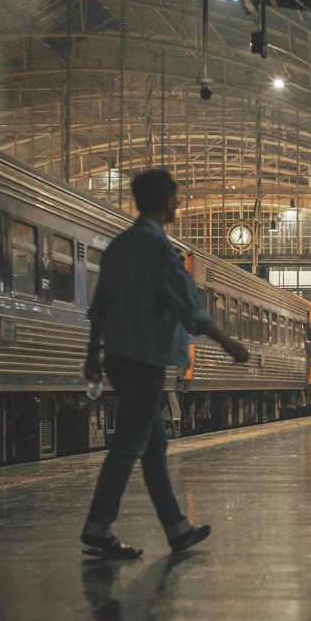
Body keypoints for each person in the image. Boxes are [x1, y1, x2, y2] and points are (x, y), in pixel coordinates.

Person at [80, 168, 249, 560]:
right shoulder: (158, 249)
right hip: (146, 359)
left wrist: (93, 353)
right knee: (128, 446)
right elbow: (189, 308)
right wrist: (229, 345)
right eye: (175, 197)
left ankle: (177, 529)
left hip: (120, 358)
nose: (178, 203)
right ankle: (97, 526)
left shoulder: (120, 246)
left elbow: (99, 307)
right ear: (163, 201)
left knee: (153, 447)